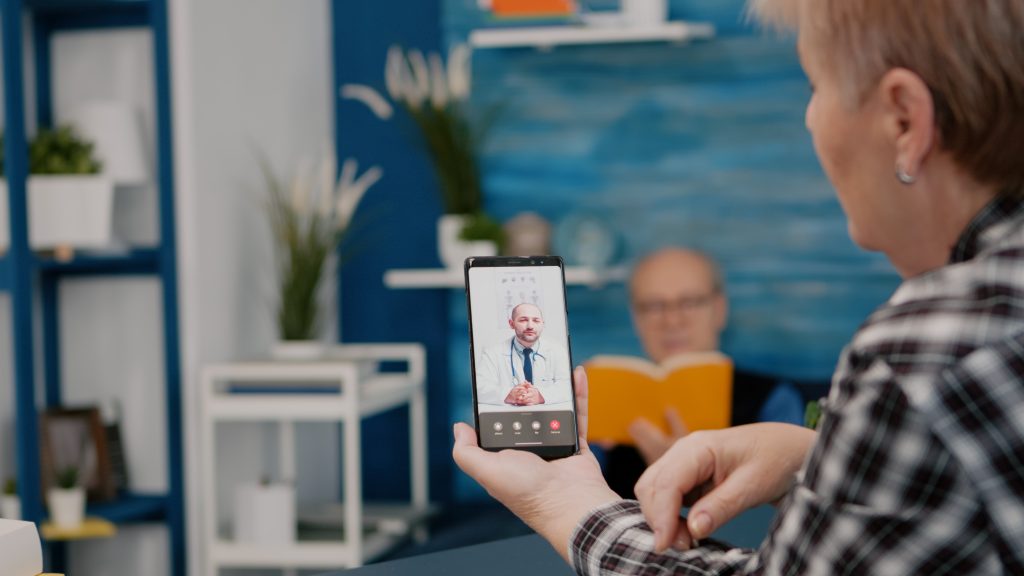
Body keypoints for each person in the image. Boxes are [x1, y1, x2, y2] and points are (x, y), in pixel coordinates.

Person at [453, 0, 1024, 573]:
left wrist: (563, 502)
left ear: (903, 120)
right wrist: (810, 456)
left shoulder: (920, 356)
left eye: (815, 87)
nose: (809, 120)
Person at [603, 247, 805, 498]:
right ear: (636, 319)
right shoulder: (606, 401)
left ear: (719, 310)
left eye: (690, 302)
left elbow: (794, 498)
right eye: (654, 306)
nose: (672, 320)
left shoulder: (774, 401)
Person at [475, 303, 573, 407]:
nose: (530, 326)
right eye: (523, 320)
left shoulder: (558, 352)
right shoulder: (492, 354)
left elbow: (569, 386)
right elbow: (479, 387)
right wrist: (508, 395)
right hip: (507, 415)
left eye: (536, 320)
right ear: (511, 324)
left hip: (547, 414)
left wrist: (540, 395)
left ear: (542, 324)